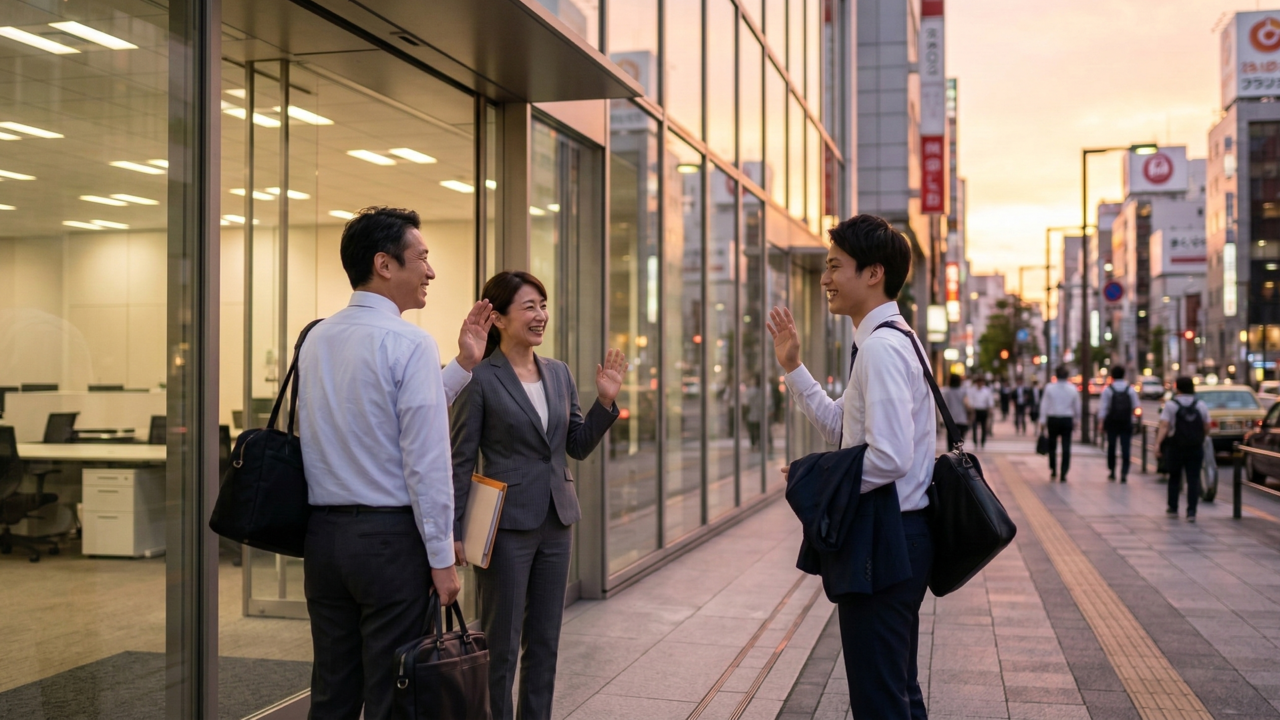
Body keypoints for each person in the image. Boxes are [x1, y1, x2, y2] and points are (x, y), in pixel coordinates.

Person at [297, 207, 494, 720]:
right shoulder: (408, 343)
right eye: (422, 258)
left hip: (324, 540)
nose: (430, 271)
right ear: (385, 264)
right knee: (393, 694)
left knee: (333, 691)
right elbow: (426, 463)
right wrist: (442, 560)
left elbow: (376, 422)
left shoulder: (315, 337)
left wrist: (463, 366)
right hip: (388, 545)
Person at [766, 214, 934, 720]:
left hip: (887, 538)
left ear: (873, 273)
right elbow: (844, 428)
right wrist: (794, 367)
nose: (825, 278)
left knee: (881, 700)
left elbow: (890, 456)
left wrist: (815, 477)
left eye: (835, 266)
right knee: (897, 690)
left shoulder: (882, 348)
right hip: (900, 534)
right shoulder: (889, 339)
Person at [451, 271, 624, 720]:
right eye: (529, 307)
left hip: (557, 520)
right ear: (499, 317)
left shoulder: (559, 373)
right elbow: (460, 459)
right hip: (504, 525)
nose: (540, 316)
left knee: (545, 642)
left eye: (542, 306)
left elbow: (576, 447)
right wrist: (452, 533)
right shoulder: (480, 378)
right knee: (502, 645)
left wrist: (606, 403)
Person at [1155, 376, 1211, 522]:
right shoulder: (1200, 405)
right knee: (1193, 478)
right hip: (1195, 447)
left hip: (1176, 446)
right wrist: (1200, 437)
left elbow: (1165, 426)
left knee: (1174, 476)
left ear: (1177, 387)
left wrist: (1158, 444)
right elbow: (1207, 426)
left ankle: (1173, 507)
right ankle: (1191, 511)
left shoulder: (1171, 405)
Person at [1098, 366, 1140, 483]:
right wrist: (1135, 420)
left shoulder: (1108, 390)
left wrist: (1101, 422)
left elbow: (1103, 408)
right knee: (1126, 448)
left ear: (1112, 376)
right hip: (1126, 422)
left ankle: (1112, 471)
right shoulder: (1130, 389)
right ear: (1124, 375)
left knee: (1111, 447)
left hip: (1112, 422)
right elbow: (1136, 406)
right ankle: (1124, 473)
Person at [1039, 366, 1080, 482]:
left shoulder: (1049, 388)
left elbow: (1044, 405)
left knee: (1052, 445)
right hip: (1067, 418)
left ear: (1056, 375)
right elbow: (1077, 406)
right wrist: (1077, 419)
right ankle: (1064, 472)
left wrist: (1042, 421)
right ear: (1067, 376)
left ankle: (1053, 469)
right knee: (1066, 446)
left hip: (1053, 419)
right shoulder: (1072, 388)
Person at [940, 373, 970, 443]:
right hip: (962, 417)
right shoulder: (963, 391)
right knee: (961, 438)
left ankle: (950, 450)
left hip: (950, 417)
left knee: (950, 436)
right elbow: (966, 404)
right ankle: (959, 451)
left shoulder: (946, 391)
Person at [966, 376, 994, 448]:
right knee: (974, 427)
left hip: (983, 410)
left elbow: (990, 402)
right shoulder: (972, 390)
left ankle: (982, 441)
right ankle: (975, 441)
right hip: (975, 410)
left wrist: (990, 411)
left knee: (983, 427)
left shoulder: (987, 391)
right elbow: (970, 400)